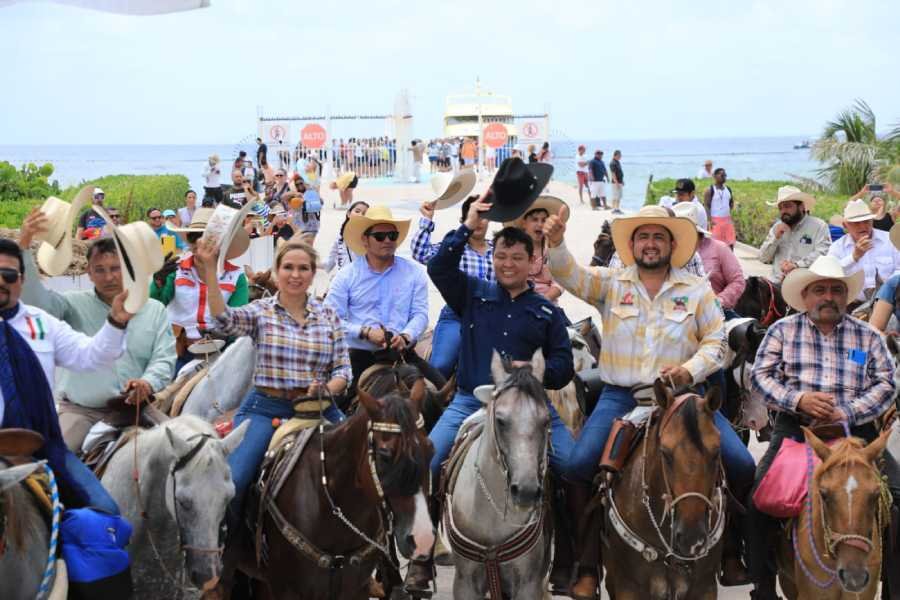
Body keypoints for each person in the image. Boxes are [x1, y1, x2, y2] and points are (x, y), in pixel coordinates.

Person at [545, 204, 756, 596]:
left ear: (672, 244)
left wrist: (688, 371)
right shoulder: (611, 283)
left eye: (659, 236)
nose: (651, 243)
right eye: (643, 236)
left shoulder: (695, 289)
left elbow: (717, 342)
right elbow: (568, 275)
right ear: (632, 244)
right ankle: (587, 564)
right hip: (621, 396)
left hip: (685, 399)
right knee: (576, 467)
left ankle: (729, 552)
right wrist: (556, 242)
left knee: (742, 464)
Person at [412, 197, 576, 588]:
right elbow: (438, 266)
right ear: (494, 258)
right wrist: (468, 227)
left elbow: (564, 366)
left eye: (516, 258)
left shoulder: (547, 311)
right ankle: (422, 556)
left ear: (532, 260)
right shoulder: (472, 293)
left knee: (571, 466)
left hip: (531, 405)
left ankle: (569, 557)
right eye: (501, 257)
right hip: (472, 398)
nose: (507, 264)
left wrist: (534, 375)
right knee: (427, 463)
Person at [748, 255, 897, 600]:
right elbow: (760, 377)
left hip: (857, 435)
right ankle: (763, 585)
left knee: (896, 503)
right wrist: (798, 400)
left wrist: (846, 411)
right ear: (805, 296)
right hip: (798, 430)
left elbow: (887, 383)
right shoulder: (783, 331)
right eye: (820, 290)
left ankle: (891, 586)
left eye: (835, 290)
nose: (828, 296)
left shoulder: (867, 337)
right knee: (759, 497)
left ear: (846, 297)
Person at [196, 238, 348, 521]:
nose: (295, 274)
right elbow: (222, 320)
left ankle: (382, 550)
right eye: (288, 267)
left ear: (313, 273)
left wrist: (326, 389)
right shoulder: (261, 312)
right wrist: (208, 272)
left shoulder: (329, 315)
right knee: (236, 481)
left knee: (364, 469)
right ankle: (224, 553)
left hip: (319, 406)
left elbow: (343, 370)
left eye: (303, 268)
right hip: (267, 408)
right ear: (277, 272)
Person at [17, 215, 175, 453]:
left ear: (128, 269)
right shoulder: (71, 304)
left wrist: (147, 382)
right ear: (88, 273)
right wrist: (24, 247)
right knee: (55, 460)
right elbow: (35, 302)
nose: (109, 277)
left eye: (115, 268)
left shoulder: (155, 310)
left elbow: (164, 358)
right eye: (99, 270)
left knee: (188, 448)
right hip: (82, 411)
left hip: (137, 409)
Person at [0, 237, 134, 514]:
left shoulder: (41, 322)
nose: (1, 281)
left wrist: (116, 322)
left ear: (22, 280)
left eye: (8, 275)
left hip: (42, 446)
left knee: (106, 511)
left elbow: (90, 356)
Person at [324, 205, 430, 392]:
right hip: (360, 355)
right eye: (380, 236)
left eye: (392, 235)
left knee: (442, 394)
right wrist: (364, 332)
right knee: (331, 407)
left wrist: (405, 336)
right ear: (365, 240)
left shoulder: (414, 273)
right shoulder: (346, 275)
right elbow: (329, 319)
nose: (387, 240)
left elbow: (420, 314)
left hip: (402, 354)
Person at [152, 208, 250, 373]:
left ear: (221, 244)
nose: (200, 244)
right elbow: (155, 305)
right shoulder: (174, 270)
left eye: (207, 240)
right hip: (177, 351)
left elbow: (237, 323)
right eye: (194, 238)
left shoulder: (237, 276)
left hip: (220, 352)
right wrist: (158, 282)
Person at [412, 195, 493, 378]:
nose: (479, 222)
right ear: (465, 220)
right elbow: (420, 252)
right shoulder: (454, 249)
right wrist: (427, 220)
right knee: (441, 366)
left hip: (493, 316)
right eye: (475, 216)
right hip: (458, 315)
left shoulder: (499, 250)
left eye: (484, 216)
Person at [673, 202, 746, 317]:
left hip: (715, 311)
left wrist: (719, 301)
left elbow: (737, 281)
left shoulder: (719, 248)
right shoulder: (671, 252)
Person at [826, 198, 900, 300]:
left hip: (890, 301)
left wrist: (887, 288)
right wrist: (854, 257)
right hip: (852, 304)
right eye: (856, 223)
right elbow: (829, 274)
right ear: (845, 225)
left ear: (872, 221)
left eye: (866, 221)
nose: (863, 226)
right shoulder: (838, 247)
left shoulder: (889, 239)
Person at [758, 185, 831, 283]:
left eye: (787, 206)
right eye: (780, 208)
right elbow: (763, 258)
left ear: (801, 207)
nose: (783, 211)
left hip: (805, 284)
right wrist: (775, 238)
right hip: (777, 283)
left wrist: (797, 265)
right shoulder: (777, 228)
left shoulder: (819, 226)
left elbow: (823, 254)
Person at [510, 198, 565, 304]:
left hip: (548, 304)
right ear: (524, 223)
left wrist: (544, 300)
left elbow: (560, 282)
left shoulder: (553, 249)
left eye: (544, 220)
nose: (540, 224)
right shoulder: (513, 250)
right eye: (535, 219)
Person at [325, 201, 369, 274]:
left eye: (365, 214)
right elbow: (330, 261)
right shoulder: (340, 238)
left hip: (362, 278)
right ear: (348, 214)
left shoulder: (371, 237)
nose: (360, 215)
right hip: (343, 278)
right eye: (357, 211)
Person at [703, 168, 736, 247]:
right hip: (715, 221)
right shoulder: (710, 190)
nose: (724, 177)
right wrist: (709, 220)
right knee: (715, 244)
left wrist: (728, 213)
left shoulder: (728, 189)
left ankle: (729, 258)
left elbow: (731, 202)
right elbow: (706, 205)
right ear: (714, 176)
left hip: (727, 221)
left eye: (725, 175)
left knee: (730, 243)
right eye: (721, 175)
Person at [608, 149, 624, 214]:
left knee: (619, 196)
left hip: (619, 181)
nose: (620, 156)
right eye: (619, 155)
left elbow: (619, 172)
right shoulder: (612, 163)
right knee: (615, 196)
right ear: (616, 155)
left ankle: (617, 208)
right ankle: (614, 209)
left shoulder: (617, 162)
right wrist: (616, 182)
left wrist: (622, 181)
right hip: (615, 182)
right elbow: (613, 173)